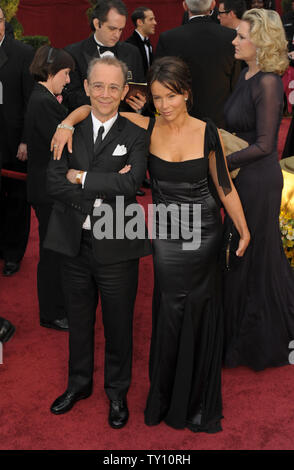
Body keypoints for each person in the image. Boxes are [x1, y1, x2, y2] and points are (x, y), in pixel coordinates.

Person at [51, 56, 250, 433]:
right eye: (157, 97)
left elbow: (223, 184)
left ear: (186, 95)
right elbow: (95, 106)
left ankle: (193, 401)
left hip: (203, 229)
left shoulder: (206, 131)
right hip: (164, 232)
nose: (164, 105)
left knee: (198, 312)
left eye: (171, 96)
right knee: (170, 314)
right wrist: (65, 122)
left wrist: (242, 229)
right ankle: (164, 399)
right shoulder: (146, 126)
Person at [45, 57, 151, 429]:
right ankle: (79, 384)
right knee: (78, 320)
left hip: (119, 243)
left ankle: (117, 392)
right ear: (87, 88)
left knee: (119, 323)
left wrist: (81, 177)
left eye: (113, 87)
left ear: (125, 92)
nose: (105, 94)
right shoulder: (67, 132)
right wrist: (98, 182)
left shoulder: (136, 134)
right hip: (74, 243)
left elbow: (131, 183)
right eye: (98, 86)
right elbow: (54, 182)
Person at [223, 8, 294, 371]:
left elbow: (267, 145)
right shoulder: (246, 74)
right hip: (242, 177)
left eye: (241, 36)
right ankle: (239, 331)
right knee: (245, 255)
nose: (234, 41)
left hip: (258, 180)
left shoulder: (267, 81)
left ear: (260, 42)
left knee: (253, 255)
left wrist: (222, 162)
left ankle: (256, 340)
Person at [25, 46, 79, 331]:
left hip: (46, 186)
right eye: (66, 73)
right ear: (50, 71)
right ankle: (51, 312)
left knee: (55, 250)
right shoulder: (42, 102)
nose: (68, 79)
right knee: (52, 252)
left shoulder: (42, 98)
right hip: (47, 189)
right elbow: (63, 144)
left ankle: (56, 307)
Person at [155, 0, 241, 128]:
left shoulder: (168, 38)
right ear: (213, 5)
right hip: (220, 124)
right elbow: (236, 83)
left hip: (180, 123)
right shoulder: (231, 37)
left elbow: (159, 82)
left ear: (184, 6)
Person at [63, 0, 145, 113]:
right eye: (112, 29)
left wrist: (140, 103)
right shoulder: (73, 53)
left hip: (125, 122)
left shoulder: (132, 52)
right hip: (87, 123)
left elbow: (139, 88)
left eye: (120, 29)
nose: (117, 35)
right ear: (97, 24)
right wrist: (105, 103)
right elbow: (70, 96)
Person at [0, 6, 34, 276]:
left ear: (4, 22)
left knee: (17, 202)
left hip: (14, 144)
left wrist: (26, 141)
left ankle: (13, 253)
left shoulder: (23, 54)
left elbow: (30, 102)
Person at [125, 6, 157, 78]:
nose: (155, 23)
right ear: (139, 22)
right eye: (151, 19)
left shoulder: (149, 44)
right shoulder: (129, 45)